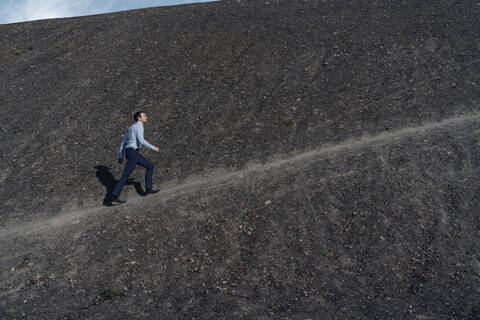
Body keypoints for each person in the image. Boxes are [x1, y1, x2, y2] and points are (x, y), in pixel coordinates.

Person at [111, 111, 160, 204]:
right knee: (126, 175)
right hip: (133, 153)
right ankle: (114, 197)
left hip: (131, 152)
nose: (146, 117)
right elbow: (141, 140)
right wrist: (153, 148)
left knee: (150, 166)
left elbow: (123, 142)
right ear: (139, 118)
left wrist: (121, 155)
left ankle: (149, 189)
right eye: (144, 116)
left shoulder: (131, 127)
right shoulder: (139, 126)